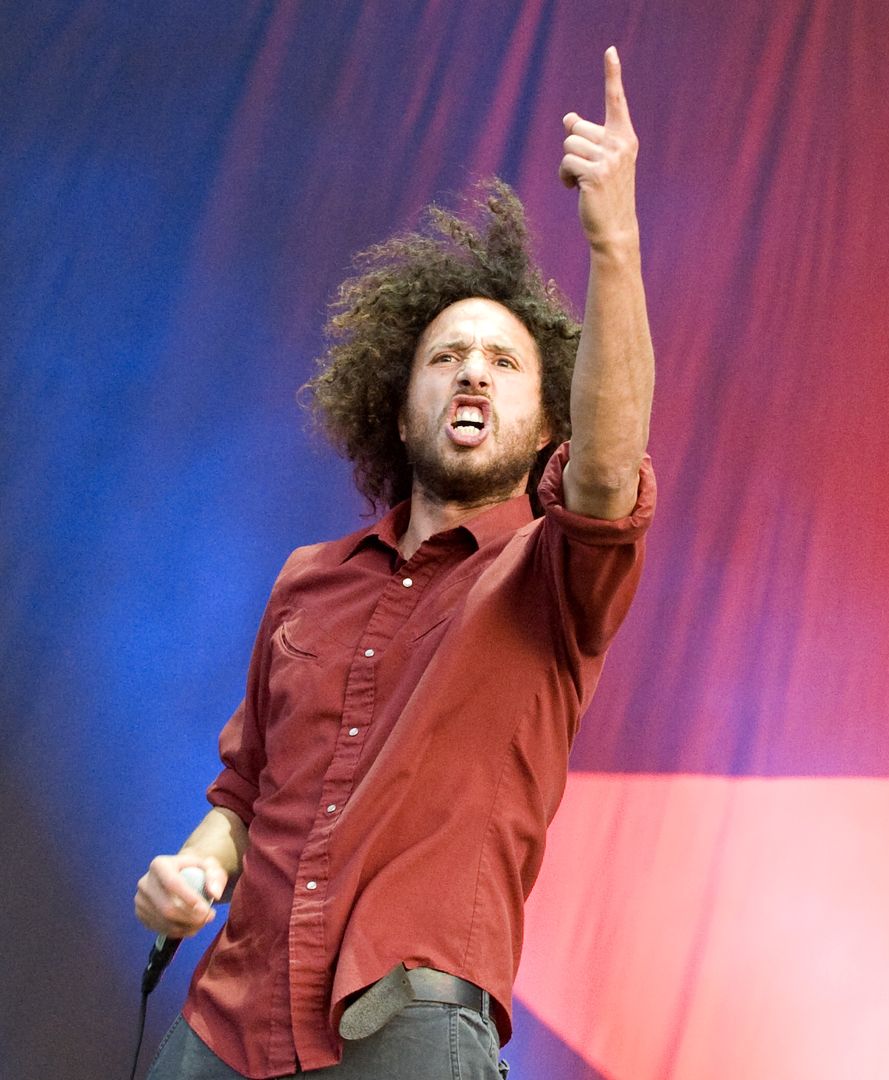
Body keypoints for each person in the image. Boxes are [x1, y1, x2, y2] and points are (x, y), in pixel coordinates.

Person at [131, 46, 655, 1079]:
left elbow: (605, 472)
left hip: (407, 1024)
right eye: (446, 357)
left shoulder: (552, 574)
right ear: (397, 400)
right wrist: (192, 870)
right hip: (223, 1030)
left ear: (549, 415)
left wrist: (616, 244)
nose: (473, 370)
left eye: (506, 362)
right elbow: (242, 795)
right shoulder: (308, 581)